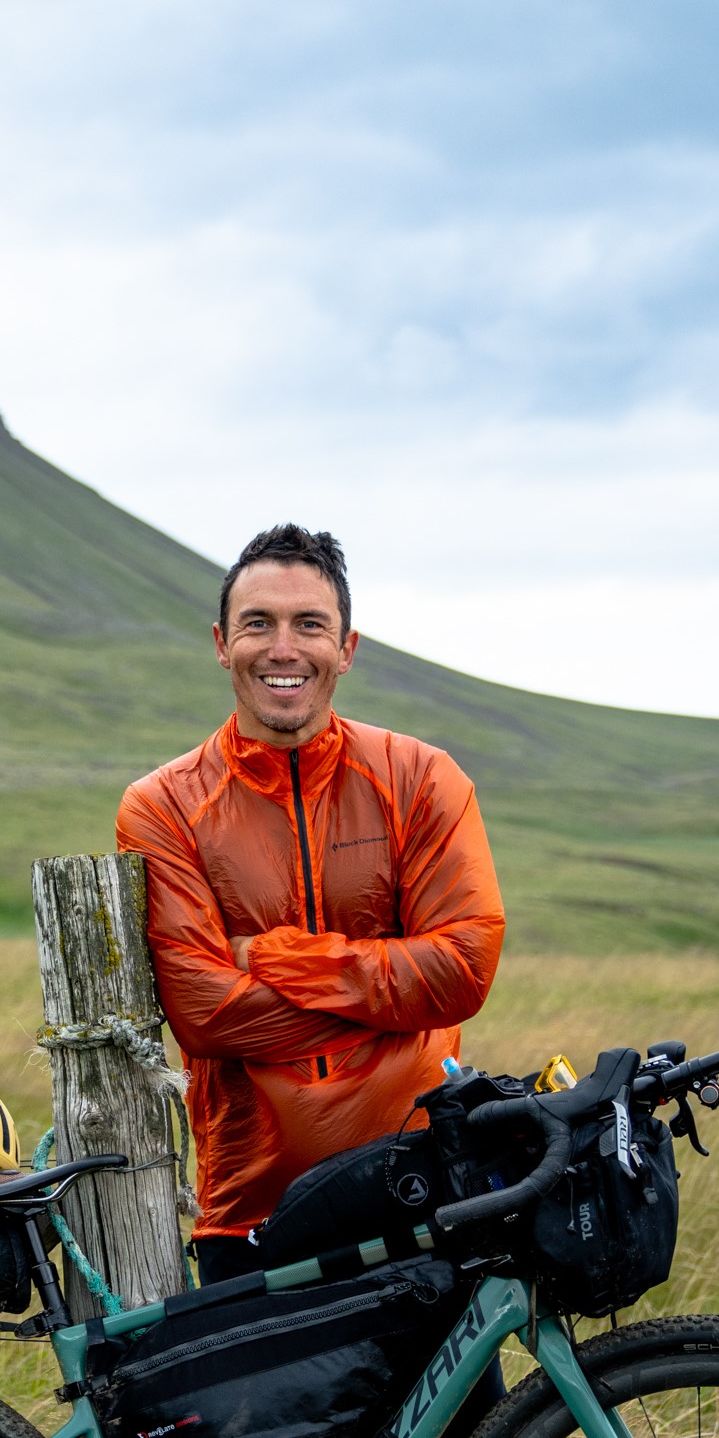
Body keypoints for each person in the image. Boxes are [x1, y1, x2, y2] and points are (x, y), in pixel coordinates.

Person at [116, 523, 505, 1291]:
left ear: (347, 648)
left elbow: (461, 970)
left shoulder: (423, 779)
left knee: (463, 1418)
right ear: (222, 643)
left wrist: (267, 956)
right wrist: (396, 1005)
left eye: (309, 625)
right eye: (258, 623)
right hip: (252, 1206)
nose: (283, 648)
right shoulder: (164, 806)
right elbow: (204, 1012)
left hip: (421, 1179)